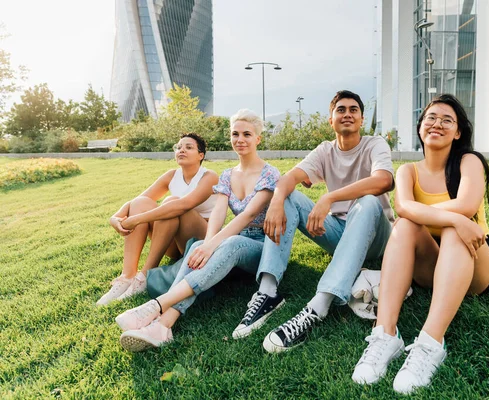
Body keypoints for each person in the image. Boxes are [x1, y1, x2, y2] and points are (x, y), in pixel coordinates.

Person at [351, 94, 489, 394]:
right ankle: (385, 335)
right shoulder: (408, 171)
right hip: (431, 265)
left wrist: (457, 220)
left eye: (447, 120)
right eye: (431, 118)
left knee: (453, 230)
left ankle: (430, 343)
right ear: (421, 127)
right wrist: (455, 217)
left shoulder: (468, 161)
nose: (437, 124)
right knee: (407, 224)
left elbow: (466, 204)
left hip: (474, 264)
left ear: (458, 132)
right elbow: (404, 209)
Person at [116, 109, 283, 351]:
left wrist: (212, 244)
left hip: (262, 246)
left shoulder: (270, 173)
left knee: (228, 243)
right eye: (235, 134)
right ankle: (164, 325)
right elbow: (218, 212)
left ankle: (157, 305)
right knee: (196, 245)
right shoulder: (227, 175)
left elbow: (247, 216)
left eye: (247, 134)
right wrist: (207, 242)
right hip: (234, 237)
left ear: (258, 138)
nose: (240, 139)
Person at [249, 90, 395, 353]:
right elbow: (290, 177)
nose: (347, 114)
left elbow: (384, 181)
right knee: (289, 196)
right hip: (341, 231)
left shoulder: (375, 144)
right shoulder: (325, 150)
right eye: (341, 109)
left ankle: (318, 305)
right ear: (331, 120)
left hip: (377, 235)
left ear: (361, 119)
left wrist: (330, 198)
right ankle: (268, 291)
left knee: (369, 201)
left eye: (353, 110)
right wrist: (277, 201)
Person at [96, 133, 219, 306]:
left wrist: (135, 220)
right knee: (141, 203)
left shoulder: (209, 176)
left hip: (198, 243)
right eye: (179, 147)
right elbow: (137, 202)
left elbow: (183, 205)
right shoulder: (171, 175)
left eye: (189, 147)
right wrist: (114, 217)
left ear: (201, 155)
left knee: (172, 203)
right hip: (171, 242)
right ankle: (127, 276)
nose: (181, 150)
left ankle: (144, 276)